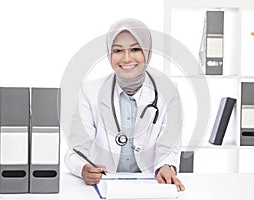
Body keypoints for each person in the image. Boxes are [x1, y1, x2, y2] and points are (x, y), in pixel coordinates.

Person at [65, 18, 185, 191]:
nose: (127, 58)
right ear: (109, 54)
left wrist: (166, 166)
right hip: (105, 185)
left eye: (135, 49)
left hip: (150, 185)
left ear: (147, 51)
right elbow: (76, 149)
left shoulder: (168, 92)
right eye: (118, 50)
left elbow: (169, 145)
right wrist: (84, 168)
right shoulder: (89, 92)